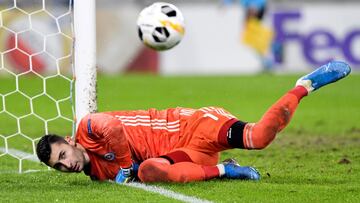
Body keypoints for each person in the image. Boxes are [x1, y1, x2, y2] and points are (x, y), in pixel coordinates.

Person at [36, 61, 351, 183]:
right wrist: (128, 170)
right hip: (182, 154)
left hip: (194, 125)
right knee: (149, 171)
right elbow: (128, 171)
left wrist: (123, 165)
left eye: (63, 154)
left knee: (260, 137)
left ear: (70, 140)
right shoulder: (97, 174)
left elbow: (114, 128)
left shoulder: (87, 127)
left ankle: (303, 85)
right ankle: (226, 169)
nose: (66, 165)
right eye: (58, 166)